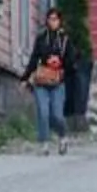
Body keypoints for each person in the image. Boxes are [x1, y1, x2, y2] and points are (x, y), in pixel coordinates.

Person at [25, 9, 76, 152]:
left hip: (58, 82)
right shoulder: (41, 38)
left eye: (55, 19)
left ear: (60, 21)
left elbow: (72, 61)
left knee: (57, 115)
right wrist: (26, 76)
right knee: (43, 112)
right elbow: (34, 58)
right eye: (50, 19)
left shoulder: (65, 40)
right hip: (41, 80)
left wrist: (60, 63)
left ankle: (62, 136)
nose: (52, 22)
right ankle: (44, 142)